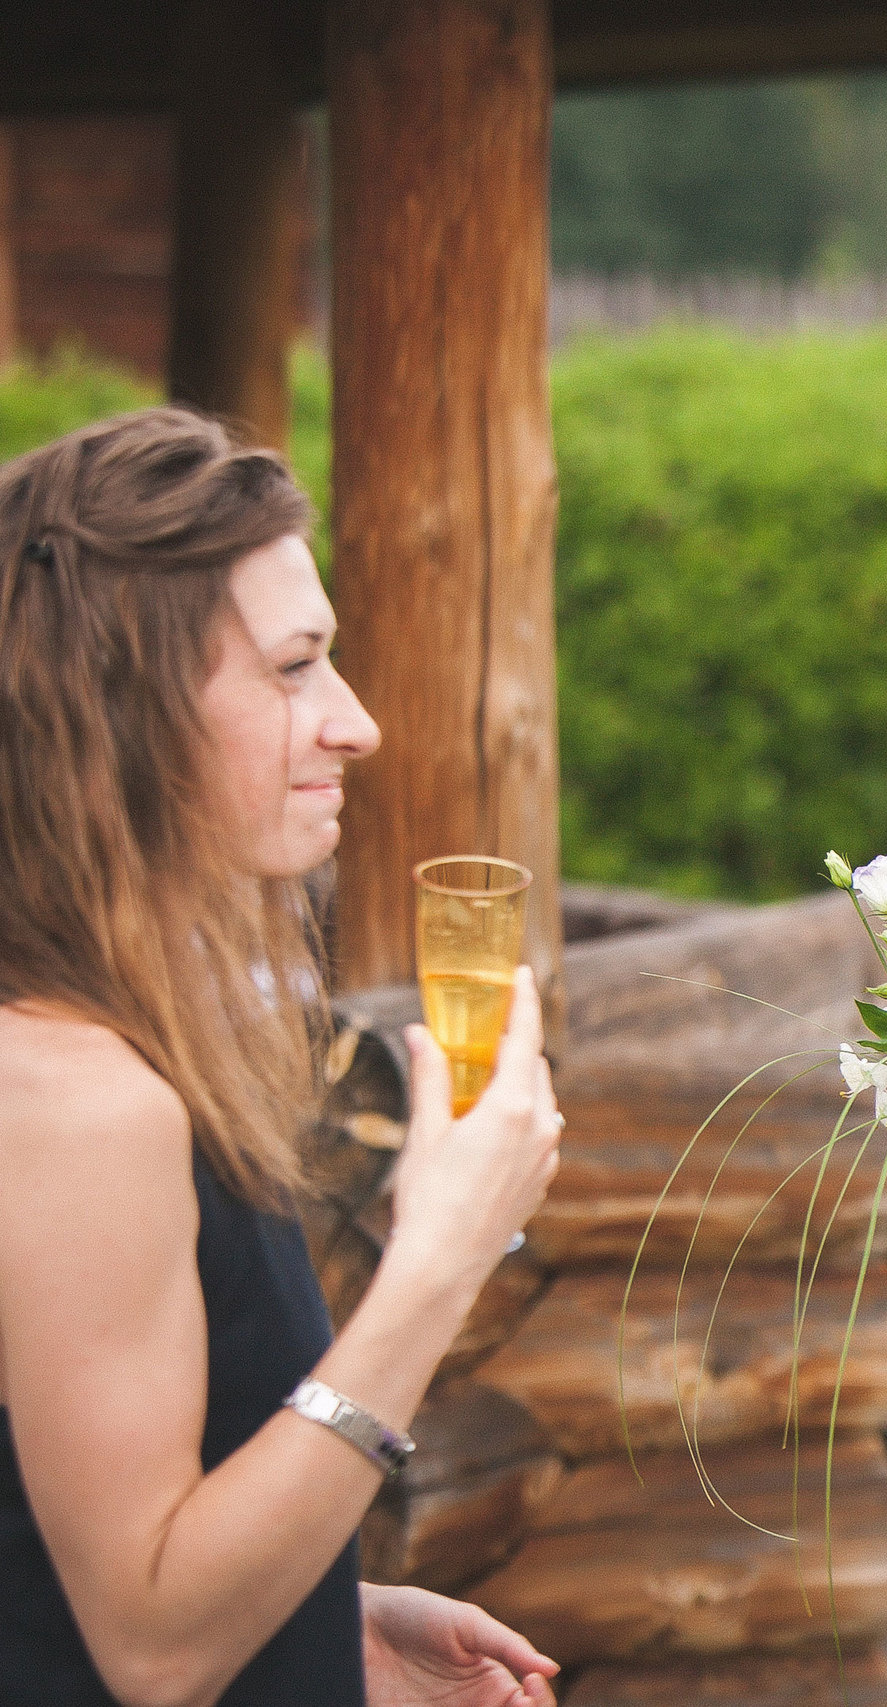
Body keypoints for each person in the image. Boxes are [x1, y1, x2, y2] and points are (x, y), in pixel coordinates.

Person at [0, 409, 567, 1707]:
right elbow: (152, 1638)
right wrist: (440, 1259)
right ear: (121, 707)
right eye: (297, 664)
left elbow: (69, 1531)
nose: (356, 722)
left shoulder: (111, 1033)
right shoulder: (75, 1096)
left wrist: (328, 1619)